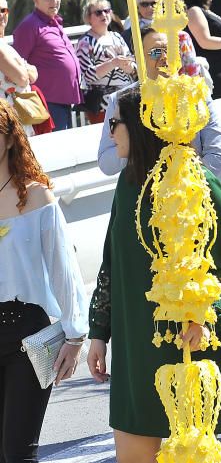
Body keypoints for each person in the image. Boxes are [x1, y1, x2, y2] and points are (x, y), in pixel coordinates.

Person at [87, 87, 221, 461]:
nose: (110, 133)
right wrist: (99, 333)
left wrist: (207, 321)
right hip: (134, 349)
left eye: (116, 122)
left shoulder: (203, 188)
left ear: (143, 126)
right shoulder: (126, 188)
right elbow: (111, 265)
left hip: (187, 351)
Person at [0, 99, 89, 462]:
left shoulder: (37, 195)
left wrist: (75, 333)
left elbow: (63, 267)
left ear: (8, 139)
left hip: (27, 335)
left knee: (18, 453)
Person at [98, 27, 221, 177]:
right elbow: (106, 164)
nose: (165, 57)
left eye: (171, 50)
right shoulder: (122, 100)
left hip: (189, 191)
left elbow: (218, 155)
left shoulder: (197, 93)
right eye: (156, 52)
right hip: (144, 192)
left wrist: (184, 184)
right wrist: (133, 142)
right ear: (138, 57)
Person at [12, 0, 81, 130]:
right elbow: (17, 63)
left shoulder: (55, 22)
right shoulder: (29, 26)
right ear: (36, 0)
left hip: (64, 99)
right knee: (57, 148)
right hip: (47, 102)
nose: (54, 1)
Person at [75, 0, 136, 124]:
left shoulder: (117, 37)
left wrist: (128, 66)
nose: (104, 15)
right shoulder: (85, 42)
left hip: (126, 99)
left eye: (106, 11)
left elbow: (133, 68)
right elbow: (88, 75)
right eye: (98, 12)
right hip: (102, 105)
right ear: (88, 17)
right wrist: (113, 63)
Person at [0, 0, 41, 135]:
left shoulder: (4, 45)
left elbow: (33, 73)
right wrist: (24, 68)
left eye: (3, 10)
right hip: (8, 123)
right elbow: (23, 78)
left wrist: (23, 69)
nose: (1, 15)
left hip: (15, 119)